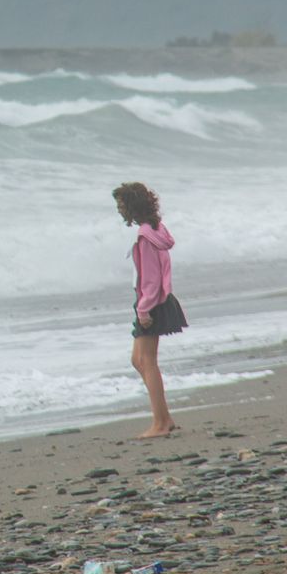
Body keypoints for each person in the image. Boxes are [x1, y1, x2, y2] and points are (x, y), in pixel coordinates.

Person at [113, 181, 187, 438]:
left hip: (151, 302)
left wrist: (144, 309)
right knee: (138, 360)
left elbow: (152, 279)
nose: (120, 210)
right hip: (154, 300)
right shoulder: (157, 228)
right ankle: (164, 417)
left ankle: (161, 423)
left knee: (147, 362)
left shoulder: (145, 236)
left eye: (121, 205)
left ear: (132, 206)